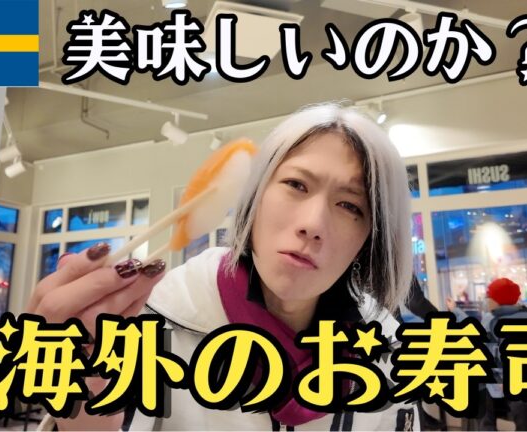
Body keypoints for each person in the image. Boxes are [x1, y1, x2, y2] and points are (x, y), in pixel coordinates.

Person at [30, 103, 421, 430]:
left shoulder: (387, 354)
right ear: (254, 197)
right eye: (296, 185)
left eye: (350, 205)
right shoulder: (151, 324)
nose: (313, 224)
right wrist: (82, 400)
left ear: (369, 239)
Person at [446, 278, 527, 431]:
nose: (487, 300)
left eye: (489, 296)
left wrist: (455, 311)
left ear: (497, 300)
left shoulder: (493, 320)